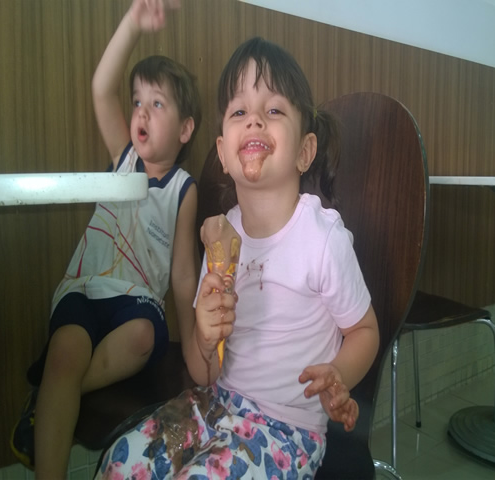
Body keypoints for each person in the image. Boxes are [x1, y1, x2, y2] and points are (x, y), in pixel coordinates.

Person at [95, 36, 380, 479]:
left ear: (304, 151)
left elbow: (364, 330)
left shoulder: (322, 238)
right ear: (223, 153)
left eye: (274, 110)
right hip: (213, 405)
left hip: (286, 431)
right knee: (118, 462)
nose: (255, 121)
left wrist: (338, 373)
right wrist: (205, 336)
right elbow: (203, 371)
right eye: (239, 112)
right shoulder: (222, 240)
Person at [10, 0, 201, 478]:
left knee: (142, 337)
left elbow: (183, 275)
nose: (141, 112)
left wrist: (193, 346)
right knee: (67, 350)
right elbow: (101, 88)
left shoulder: (183, 189)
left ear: (185, 129)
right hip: (85, 287)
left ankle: (51, 394)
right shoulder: (124, 158)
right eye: (137, 101)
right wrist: (133, 23)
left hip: (136, 303)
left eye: (157, 104)